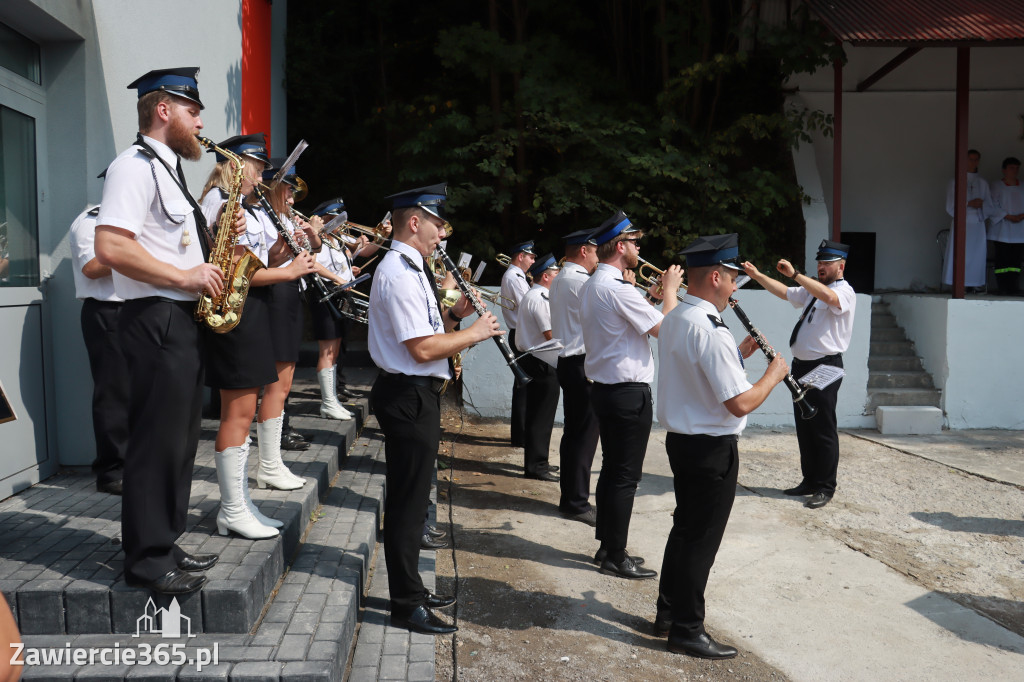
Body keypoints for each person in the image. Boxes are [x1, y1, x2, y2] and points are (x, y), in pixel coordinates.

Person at [94, 67, 224, 594]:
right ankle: (146, 561)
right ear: (164, 110)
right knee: (154, 442)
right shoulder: (134, 166)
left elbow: (171, 246)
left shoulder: (171, 171)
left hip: (180, 320)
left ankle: (164, 540)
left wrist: (216, 239)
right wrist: (184, 276)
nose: (200, 120)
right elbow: (111, 247)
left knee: (180, 442)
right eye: (192, 109)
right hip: (155, 318)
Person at [369, 183, 502, 635]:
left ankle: (413, 588)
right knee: (407, 506)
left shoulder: (415, 269)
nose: (441, 233)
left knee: (415, 499)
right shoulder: (399, 272)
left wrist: (460, 317)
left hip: (417, 393)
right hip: (407, 395)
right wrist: (478, 332)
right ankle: (405, 604)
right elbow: (423, 348)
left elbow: (434, 331)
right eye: (437, 223)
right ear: (414, 221)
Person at [655, 233, 788, 660]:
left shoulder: (677, 316)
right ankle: (688, 630)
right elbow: (738, 403)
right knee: (701, 541)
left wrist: (739, 355)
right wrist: (774, 375)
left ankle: (668, 612)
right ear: (715, 276)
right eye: (732, 279)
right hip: (711, 449)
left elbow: (698, 377)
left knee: (684, 530)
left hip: (683, 442)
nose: (734, 288)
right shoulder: (710, 329)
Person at [198, 134, 318, 539]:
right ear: (237, 164)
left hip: (249, 308)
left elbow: (251, 260)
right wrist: (288, 272)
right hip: (237, 311)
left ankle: (240, 503)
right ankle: (232, 508)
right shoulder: (218, 202)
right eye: (259, 167)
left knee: (244, 412)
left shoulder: (238, 203)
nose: (264, 174)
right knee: (237, 414)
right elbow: (232, 265)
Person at [579, 209, 682, 580]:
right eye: (636, 242)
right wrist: (669, 291)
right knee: (625, 477)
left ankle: (607, 545)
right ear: (621, 246)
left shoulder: (595, 283)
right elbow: (666, 332)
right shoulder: (617, 288)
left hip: (607, 390)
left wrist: (652, 299)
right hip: (627, 393)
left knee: (611, 471)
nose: (640, 248)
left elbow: (627, 325)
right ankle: (615, 554)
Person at [741, 239, 856, 510]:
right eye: (819, 263)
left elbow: (831, 299)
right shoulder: (813, 290)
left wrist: (796, 275)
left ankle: (826, 486)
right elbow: (785, 292)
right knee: (805, 426)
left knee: (823, 428)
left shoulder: (843, 291)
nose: (821, 267)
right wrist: (758, 276)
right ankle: (810, 480)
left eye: (827, 263)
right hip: (802, 366)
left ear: (841, 266)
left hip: (826, 366)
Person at [256, 161, 326, 490]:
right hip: (277, 294)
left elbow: (310, 255)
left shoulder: (283, 217)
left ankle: (273, 462)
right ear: (275, 188)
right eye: (288, 189)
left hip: (291, 293)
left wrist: (306, 240)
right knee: (276, 385)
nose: (293, 197)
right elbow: (262, 262)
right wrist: (285, 251)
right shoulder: (264, 216)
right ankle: (268, 464)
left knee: (285, 385)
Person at [69, 204, 128, 495]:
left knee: (143, 393)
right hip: (108, 312)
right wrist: (139, 255)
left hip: (140, 310)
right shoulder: (91, 220)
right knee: (113, 394)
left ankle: (138, 464)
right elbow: (91, 268)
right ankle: (111, 471)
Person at [548, 227, 600, 525]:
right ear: (584, 251)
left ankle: (571, 497)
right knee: (583, 437)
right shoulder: (578, 281)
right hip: (580, 363)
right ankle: (576, 502)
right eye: (595, 252)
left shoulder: (562, 278)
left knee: (575, 435)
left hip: (570, 361)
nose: (597, 259)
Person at [514, 254, 561, 481]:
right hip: (541, 360)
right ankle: (536, 466)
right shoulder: (540, 298)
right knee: (541, 416)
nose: (558, 279)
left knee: (538, 414)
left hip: (537, 359)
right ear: (546, 276)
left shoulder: (535, 295)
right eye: (556, 275)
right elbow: (550, 333)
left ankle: (538, 462)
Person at [943, 149, 1000, 292]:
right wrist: (968, 203)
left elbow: (990, 206)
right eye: (971, 159)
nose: (974, 162)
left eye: (976, 159)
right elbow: (950, 206)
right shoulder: (955, 181)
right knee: (960, 252)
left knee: (977, 254)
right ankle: (957, 283)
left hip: (978, 224)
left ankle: (975, 283)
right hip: (962, 223)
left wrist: (982, 205)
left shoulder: (983, 183)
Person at [499, 240, 537, 447]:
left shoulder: (517, 276)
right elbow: (529, 305)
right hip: (522, 333)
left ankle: (520, 435)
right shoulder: (514, 277)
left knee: (523, 385)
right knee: (525, 385)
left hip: (520, 332)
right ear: (520, 256)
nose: (533, 261)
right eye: (531, 257)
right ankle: (521, 436)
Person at [988, 157, 1024, 295]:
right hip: (1002, 229)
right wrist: (1008, 216)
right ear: (1004, 170)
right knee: (1002, 260)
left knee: (1015, 260)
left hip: (1019, 230)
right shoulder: (996, 186)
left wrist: (1021, 216)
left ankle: (1013, 286)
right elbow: (991, 205)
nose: (1014, 171)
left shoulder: (1022, 186)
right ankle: (1002, 286)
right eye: (1011, 168)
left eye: (1016, 168)